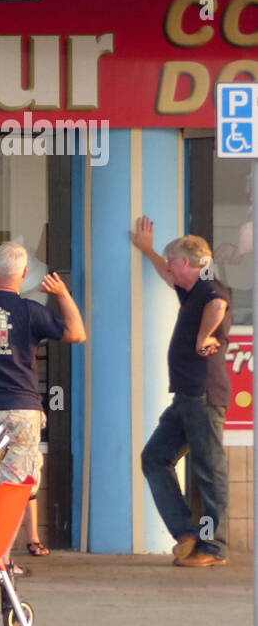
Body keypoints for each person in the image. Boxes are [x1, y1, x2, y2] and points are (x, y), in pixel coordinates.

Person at [0, 242, 86, 573]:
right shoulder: (30, 310)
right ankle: (2, 561)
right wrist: (62, 294)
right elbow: (77, 334)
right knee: (13, 489)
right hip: (22, 409)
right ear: (23, 274)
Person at [131, 217, 231, 567]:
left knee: (209, 468)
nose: (169, 267)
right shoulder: (191, 287)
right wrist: (147, 251)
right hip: (186, 396)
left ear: (186, 264)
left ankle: (213, 546)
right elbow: (167, 274)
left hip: (203, 395)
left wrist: (204, 337)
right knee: (155, 458)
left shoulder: (209, 288)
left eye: (172, 261)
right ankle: (187, 533)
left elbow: (218, 306)